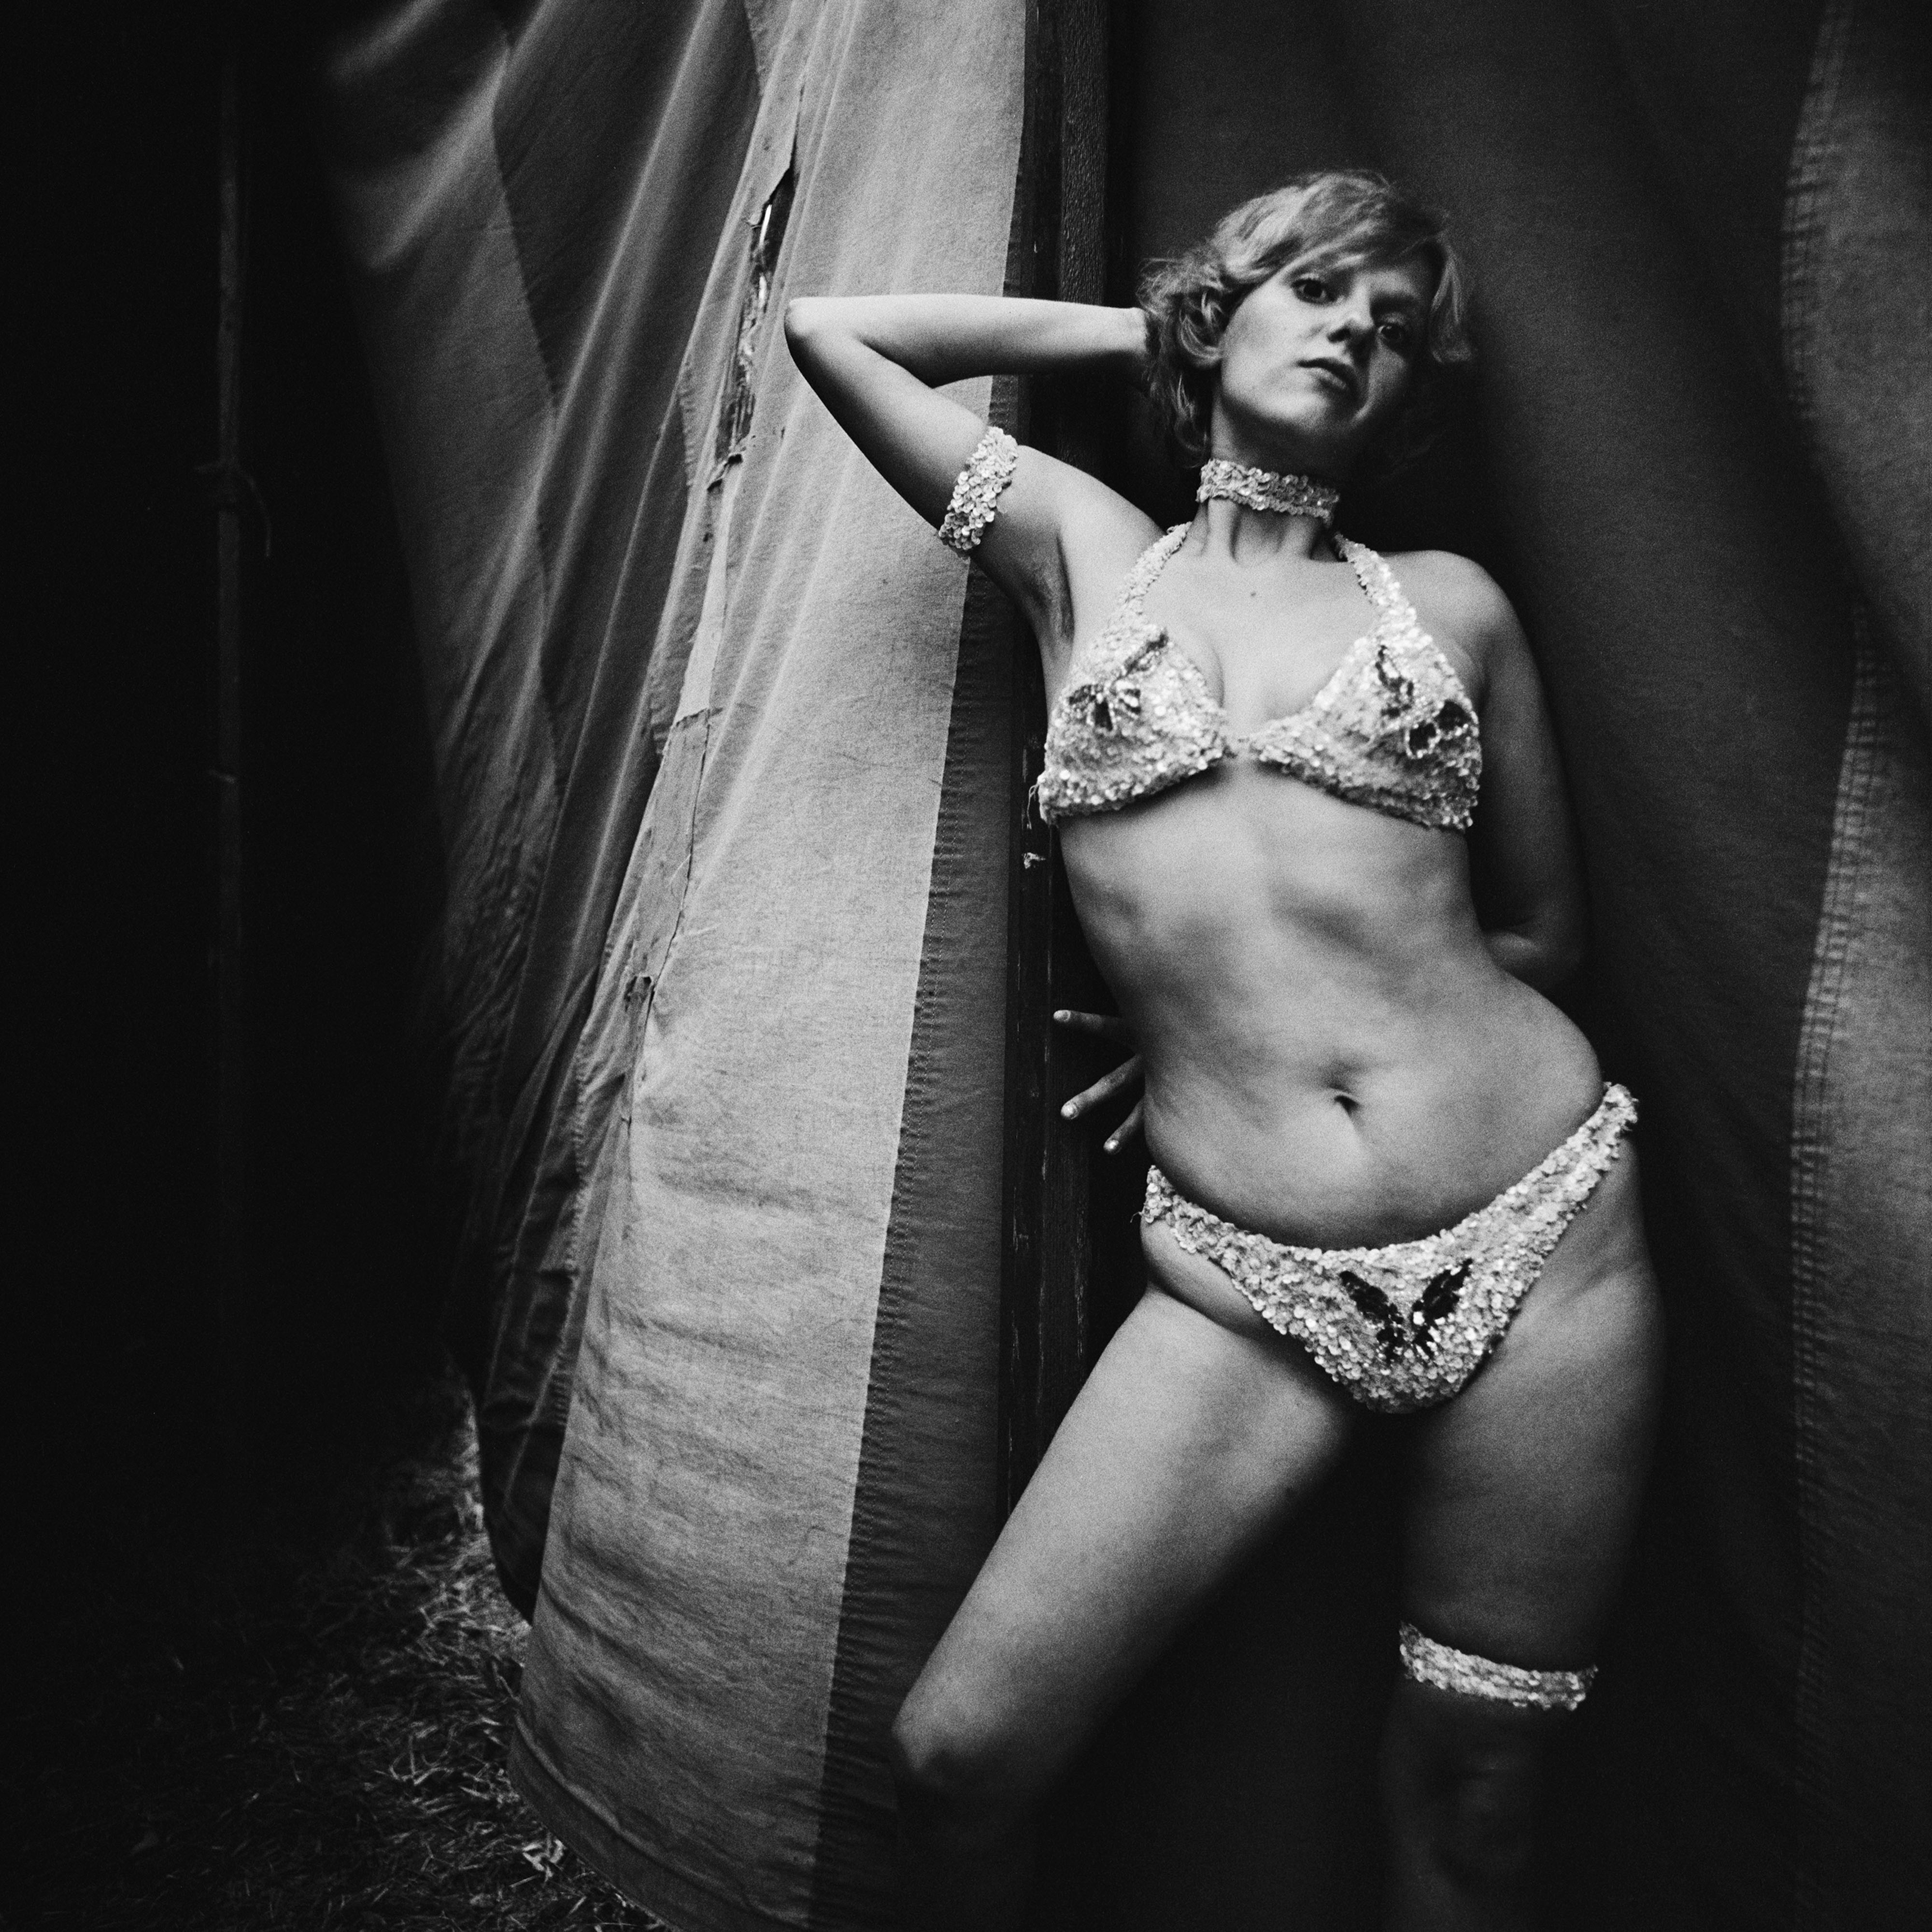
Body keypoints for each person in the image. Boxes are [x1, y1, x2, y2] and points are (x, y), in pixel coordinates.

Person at [783, 170, 1662, 1931]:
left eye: (1393, 328)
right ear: (1223, 307)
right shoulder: (1081, 554)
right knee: (957, 1763)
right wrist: (1159, 331)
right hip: (1248, 1276)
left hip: (1545, 1236)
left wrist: (1289, 1010)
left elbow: (1544, 936)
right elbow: (834, 335)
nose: (1354, 334)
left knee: (1476, 1799)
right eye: (1316, 289)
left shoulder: (1451, 607)